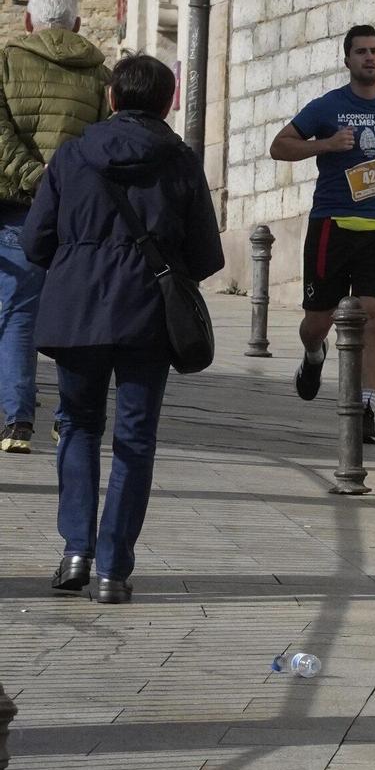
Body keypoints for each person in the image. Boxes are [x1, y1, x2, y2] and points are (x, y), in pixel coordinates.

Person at [25, 53, 222, 603]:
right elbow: (206, 253)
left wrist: (79, 261)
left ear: (112, 99)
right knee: (135, 437)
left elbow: (36, 240)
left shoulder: (71, 157)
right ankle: (113, 568)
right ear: (167, 102)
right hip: (147, 315)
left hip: (77, 312)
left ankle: (74, 551)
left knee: (78, 424)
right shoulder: (180, 160)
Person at [267, 25, 375, 445]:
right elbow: (279, 146)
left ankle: (365, 405)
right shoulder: (327, 107)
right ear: (347, 60)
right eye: (360, 52)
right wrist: (326, 145)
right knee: (319, 322)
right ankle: (314, 354)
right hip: (331, 225)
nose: (369, 58)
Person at [0, 0, 110, 453]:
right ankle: (68, 420)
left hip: (17, 207)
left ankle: (16, 421)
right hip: (76, 210)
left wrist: (31, 175)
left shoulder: (7, 63)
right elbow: (106, 143)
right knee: (74, 315)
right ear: (79, 25)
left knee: (19, 313)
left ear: (28, 22)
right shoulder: (100, 74)